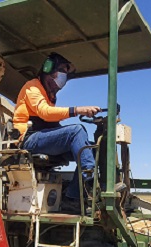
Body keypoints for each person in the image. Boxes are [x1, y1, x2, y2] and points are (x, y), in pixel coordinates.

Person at [13, 52, 101, 213]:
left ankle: (72, 198)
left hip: (43, 138)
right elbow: (44, 112)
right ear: (48, 70)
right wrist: (77, 110)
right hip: (29, 139)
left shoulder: (50, 95)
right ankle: (91, 181)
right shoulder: (32, 87)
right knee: (76, 131)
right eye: (60, 71)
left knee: (91, 150)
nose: (61, 79)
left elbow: (52, 122)